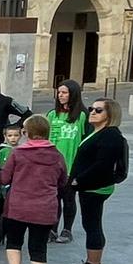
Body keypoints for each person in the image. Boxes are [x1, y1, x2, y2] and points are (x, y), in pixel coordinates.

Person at [0, 113, 64, 264]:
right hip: (45, 208)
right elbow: (62, 181)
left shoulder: (18, 153)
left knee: (14, 242)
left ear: (26, 133)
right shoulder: (57, 155)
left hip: (18, 206)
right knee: (39, 248)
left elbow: (4, 179)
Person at [67, 98, 128, 264]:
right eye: (92, 108)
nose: (92, 112)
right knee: (90, 223)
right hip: (91, 186)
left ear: (110, 115)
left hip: (95, 187)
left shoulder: (110, 135)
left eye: (98, 110)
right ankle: (92, 262)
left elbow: (103, 164)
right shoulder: (98, 132)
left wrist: (79, 180)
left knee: (92, 224)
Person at [46, 79, 87, 244]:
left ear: (73, 94)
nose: (61, 95)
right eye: (59, 92)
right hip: (53, 166)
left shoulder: (83, 115)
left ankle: (67, 229)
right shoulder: (52, 114)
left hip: (71, 166)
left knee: (68, 199)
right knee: (53, 200)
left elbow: (86, 141)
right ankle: (52, 229)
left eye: (65, 92)